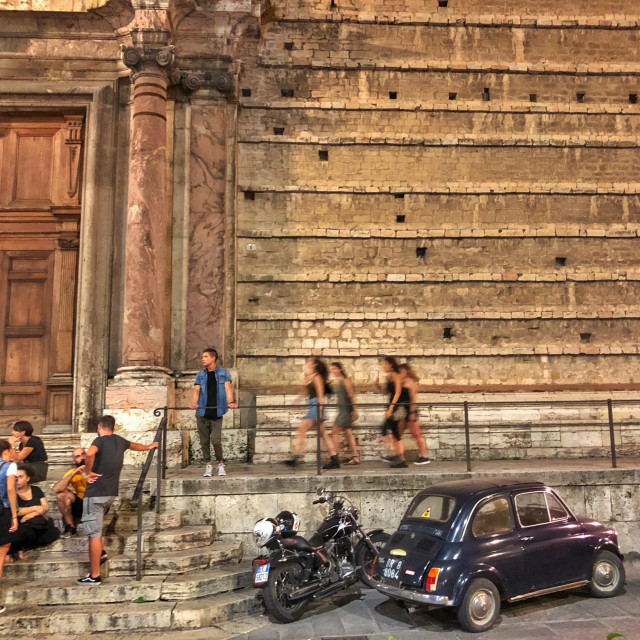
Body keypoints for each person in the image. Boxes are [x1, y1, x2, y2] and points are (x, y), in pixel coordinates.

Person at [79, 414, 158, 584]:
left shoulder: (98, 441)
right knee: (96, 529)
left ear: (99, 426)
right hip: (110, 493)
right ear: (113, 428)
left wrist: (88, 471)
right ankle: (101, 552)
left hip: (95, 493)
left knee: (93, 534)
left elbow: (89, 454)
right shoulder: (119, 440)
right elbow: (134, 445)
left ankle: (94, 575)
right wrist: (149, 446)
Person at [190, 348, 237, 477]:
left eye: (205, 356)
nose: (203, 359)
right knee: (204, 441)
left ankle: (220, 463)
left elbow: (227, 387)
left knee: (216, 440)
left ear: (213, 358)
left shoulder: (223, 373)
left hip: (217, 412)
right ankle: (208, 465)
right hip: (202, 412)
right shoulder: (200, 374)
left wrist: (231, 402)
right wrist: (195, 403)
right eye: (202, 357)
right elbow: (196, 390)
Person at [284, 357, 329, 467]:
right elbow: (304, 393)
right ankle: (334, 456)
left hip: (316, 406)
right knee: (323, 435)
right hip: (311, 405)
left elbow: (321, 395)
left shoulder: (317, 377)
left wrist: (320, 410)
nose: (307, 363)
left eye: (309, 361)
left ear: (314, 364)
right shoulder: (308, 377)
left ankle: (296, 456)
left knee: (301, 429)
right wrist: (295, 401)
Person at [8, 464, 60, 560]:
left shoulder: (36, 490)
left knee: (52, 532)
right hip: (20, 524)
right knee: (25, 533)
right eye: (15, 477)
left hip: (35, 523)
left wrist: (32, 514)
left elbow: (45, 507)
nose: (17, 480)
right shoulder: (12, 492)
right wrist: (36, 508)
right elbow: (16, 512)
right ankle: (15, 550)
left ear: (28, 478)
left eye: (20, 477)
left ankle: (18, 549)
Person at [323, 362, 359, 469]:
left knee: (335, 431)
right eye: (331, 369)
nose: (332, 371)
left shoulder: (345, 380)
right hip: (342, 409)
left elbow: (351, 395)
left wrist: (355, 410)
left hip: (345, 410)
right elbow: (327, 390)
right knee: (348, 433)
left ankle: (335, 458)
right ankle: (355, 457)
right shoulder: (335, 382)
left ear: (339, 369)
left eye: (334, 368)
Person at [376, 356, 408, 468]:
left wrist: (391, 408)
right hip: (391, 405)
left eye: (385, 364)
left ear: (390, 364)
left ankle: (397, 455)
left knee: (388, 431)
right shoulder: (389, 377)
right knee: (393, 432)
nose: (383, 367)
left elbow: (397, 392)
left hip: (396, 406)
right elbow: (387, 392)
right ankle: (399, 457)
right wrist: (378, 386)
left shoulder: (396, 375)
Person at [399, 363, 431, 465]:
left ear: (406, 371)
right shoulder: (403, 382)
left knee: (416, 434)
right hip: (404, 412)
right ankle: (397, 455)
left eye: (401, 371)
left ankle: (424, 456)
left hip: (410, 411)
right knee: (397, 434)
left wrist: (412, 412)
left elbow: (412, 399)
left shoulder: (411, 383)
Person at [0, 440, 19, 613]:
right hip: (3, 510)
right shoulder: (10, 467)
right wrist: (14, 515)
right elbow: (11, 490)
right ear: (6, 450)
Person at [52, 448, 87, 538]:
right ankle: (70, 526)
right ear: (74, 461)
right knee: (62, 495)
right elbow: (56, 489)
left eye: (83, 454)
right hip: (81, 504)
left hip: (98, 502)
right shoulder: (72, 472)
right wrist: (73, 474)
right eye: (78, 456)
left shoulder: (97, 467)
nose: (82, 458)